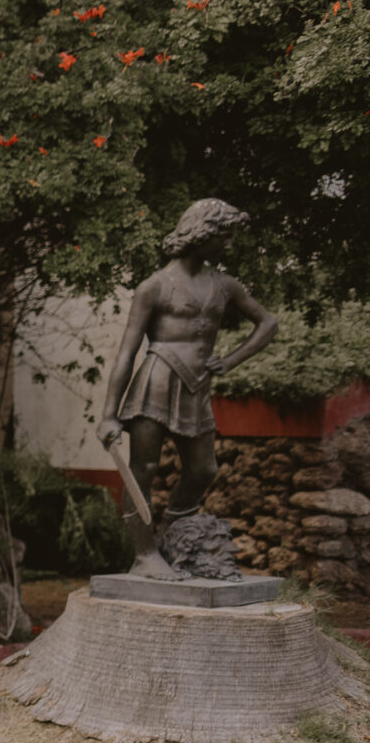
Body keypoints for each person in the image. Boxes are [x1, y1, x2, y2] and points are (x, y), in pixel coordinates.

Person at [101, 198, 278, 579]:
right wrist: (108, 415)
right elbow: (126, 353)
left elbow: (268, 323)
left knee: (203, 470)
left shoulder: (225, 285)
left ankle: (170, 539)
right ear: (201, 234)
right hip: (155, 382)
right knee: (144, 469)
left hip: (197, 386)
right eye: (223, 236)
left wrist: (231, 360)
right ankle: (144, 555)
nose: (228, 244)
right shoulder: (153, 287)